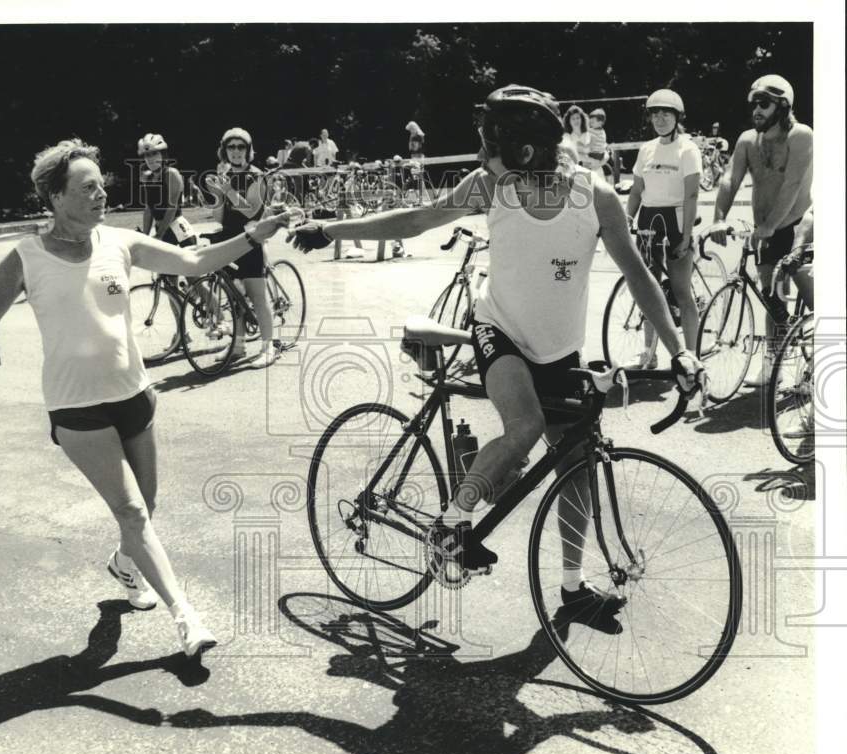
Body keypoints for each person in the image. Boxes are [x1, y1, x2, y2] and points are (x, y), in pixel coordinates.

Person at [290, 84, 702, 616]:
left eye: (488, 145)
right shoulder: (490, 185)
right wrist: (329, 228)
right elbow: (416, 220)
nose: (480, 155)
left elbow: (641, 277)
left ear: (524, 153)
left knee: (574, 465)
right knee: (525, 425)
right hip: (497, 330)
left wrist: (680, 351)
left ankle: (573, 587)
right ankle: (449, 525)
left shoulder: (593, 195)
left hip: (558, 349)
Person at [0, 138, 292, 658]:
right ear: (55, 198)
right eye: (87, 188)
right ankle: (185, 616)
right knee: (131, 512)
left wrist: (250, 236)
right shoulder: (25, 259)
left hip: (134, 394)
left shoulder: (119, 243)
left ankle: (126, 566)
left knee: (146, 506)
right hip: (76, 406)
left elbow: (192, 262)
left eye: (101, 184)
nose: (101, 194)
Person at [710, 74, 813, 386]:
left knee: (813, 296)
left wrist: (769, 226)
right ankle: (773, 363)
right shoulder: (746, 141)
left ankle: (820, 363)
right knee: (772, 297)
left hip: (798, 228)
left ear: (782, 106)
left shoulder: (801, 136)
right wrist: (718, 218)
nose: (756, 109)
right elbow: (729, 179)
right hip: (766, 231)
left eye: (764, 103)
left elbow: (793, 186)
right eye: (753, 103)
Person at [624, 88, 703, 366]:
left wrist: (687, 235)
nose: (659, 119)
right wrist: (627, 220)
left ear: (676, 117)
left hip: (676, 221)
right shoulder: (646, 149)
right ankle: (649, 351)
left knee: (681, 292)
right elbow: (636, 190)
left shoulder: (687, 149)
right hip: (648, 220)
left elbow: (691, 195)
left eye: (665, 113)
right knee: (648, 288)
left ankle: (692, 354)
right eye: (654, 113)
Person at [204, 127, 280, 369]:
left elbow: (252, 210)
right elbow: (218, 217)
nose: (236, 151)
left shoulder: (257, 176)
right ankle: (238, 344)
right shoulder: (225, 175)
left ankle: (269, 347)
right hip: (229, 238)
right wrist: (216, 193)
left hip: (250, 239)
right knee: (234, 295)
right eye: (231, 147)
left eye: (241, 147)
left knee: (257, 295)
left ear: (248, 150)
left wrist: (227, 190)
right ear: (224, 150)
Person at [136, 133, 197, 249]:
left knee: (191, 263)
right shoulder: (147, 178)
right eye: (147, 155)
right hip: (161, 229)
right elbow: (148, 209)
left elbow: (171, 208)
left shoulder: (171, 174)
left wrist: (159, 235)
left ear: (163, 155)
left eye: (154, 153)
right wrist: (145, 236)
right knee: (157, 265)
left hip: (178, 229)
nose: (150, 158)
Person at [562, 105, 593, 171]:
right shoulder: (567, 136)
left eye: (578, 118)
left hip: (593, 167)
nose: (576, 120)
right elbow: (567, 156)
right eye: (573, 118)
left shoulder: (590, 134)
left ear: (582, 119)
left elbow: (603, 151)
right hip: (575, 169)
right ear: (569, 121)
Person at [587, 109, 611, 177]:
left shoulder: (595, 131)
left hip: (595, 154)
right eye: (590, 122)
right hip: (600, 155)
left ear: (600, 123)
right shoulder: (602, 131)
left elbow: (587, 131)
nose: (590, 124)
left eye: (592, 122)